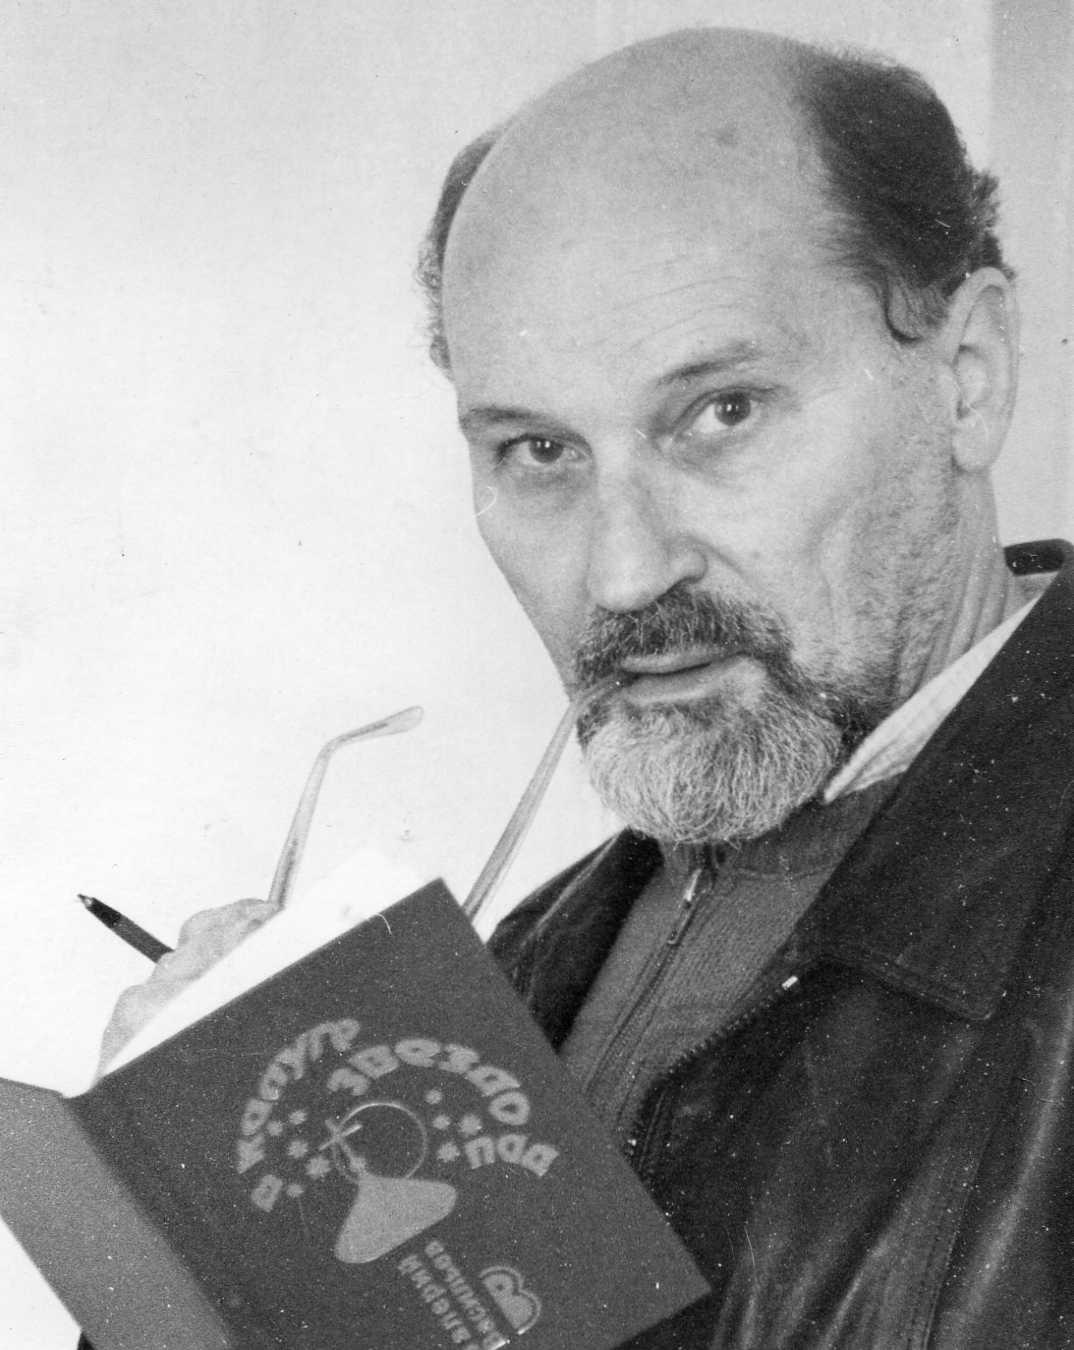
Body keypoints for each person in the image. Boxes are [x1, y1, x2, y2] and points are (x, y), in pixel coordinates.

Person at [102, 27, 1074, 1347]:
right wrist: (202, 1250)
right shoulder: (522, 967)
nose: (622, 573)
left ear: (966, 378)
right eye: (539, 450)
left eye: (720, 412)